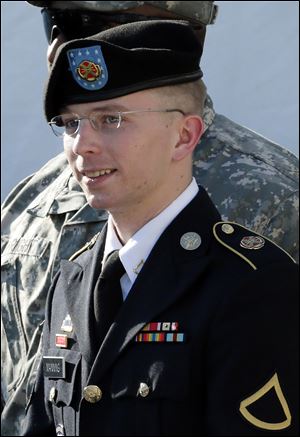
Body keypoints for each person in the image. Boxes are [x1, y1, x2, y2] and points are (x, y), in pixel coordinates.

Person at [1, 1, 299, 435]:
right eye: (69, 123)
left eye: (111, 119)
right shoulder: (72, 274)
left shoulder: (257, 270)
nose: (81, 145)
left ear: (184, 136)